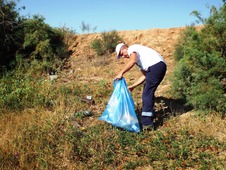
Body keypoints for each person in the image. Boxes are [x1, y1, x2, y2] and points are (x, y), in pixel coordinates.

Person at [114, 43, 167, 129]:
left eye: (121, 54)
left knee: (147, 93)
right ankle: (150, 117)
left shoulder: (132, 48)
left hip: (156, 66)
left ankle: (147, 124)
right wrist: (133, 86)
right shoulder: (141, 60)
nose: (123, 57)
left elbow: (132, 61)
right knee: (148, 91)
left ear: (124, 49)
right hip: (158, 66)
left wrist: (121, 73)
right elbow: (144, 76)